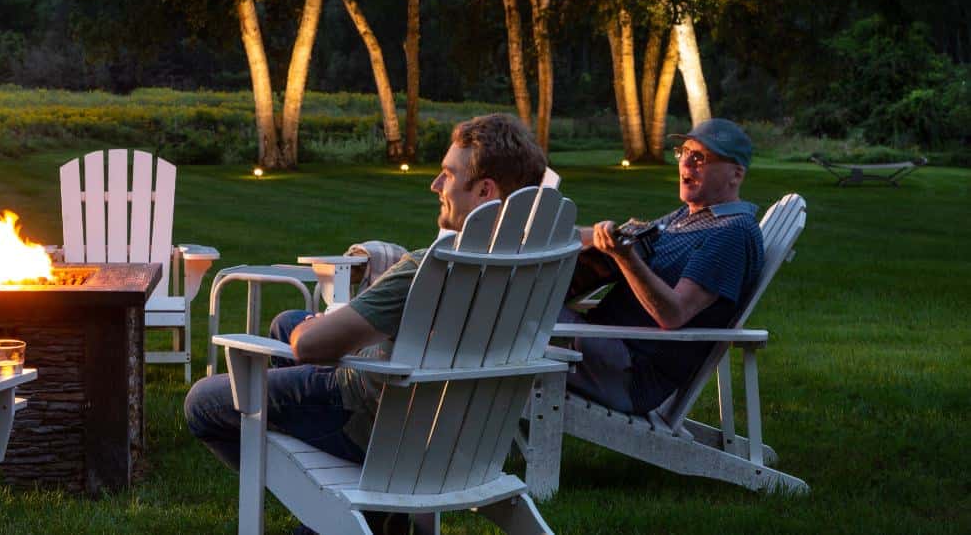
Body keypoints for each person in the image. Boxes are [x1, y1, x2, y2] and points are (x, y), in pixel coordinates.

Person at [184, 113, 548, 477]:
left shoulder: (430, 269)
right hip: (457, 426)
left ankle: (326, 506)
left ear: (485, 191)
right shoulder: (534, 261)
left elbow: (309, 346)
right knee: (286, 322)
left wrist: (314, 328)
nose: (436, 185)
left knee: (203, 401)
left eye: (449, 175)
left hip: (375, 418)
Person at [559, 118, 765, 415]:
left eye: (700, 158)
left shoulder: (731, 233)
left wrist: (626, 257)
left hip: (628, 372)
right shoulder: (688, 215)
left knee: (507, 310)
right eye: (684, 153)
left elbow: (674, 313)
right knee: (509, 303)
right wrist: (546, 233)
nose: (686, 165)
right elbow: (621, 238)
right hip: (602, 343)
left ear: (736, 174)